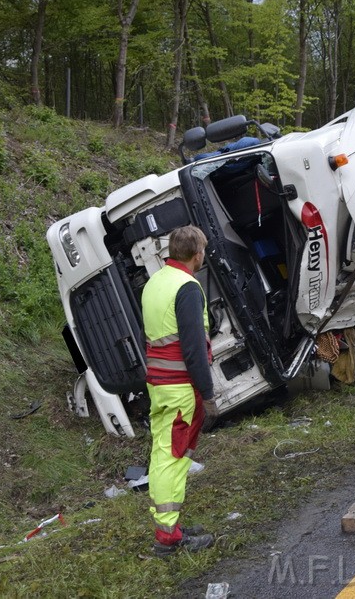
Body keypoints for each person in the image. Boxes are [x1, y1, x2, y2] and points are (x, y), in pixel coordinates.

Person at [142, 225, 219, 557]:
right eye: (203, 251)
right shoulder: (187, 287)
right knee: (171, 456)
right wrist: (209, 392)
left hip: (160, 383)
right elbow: (193, 350)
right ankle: (168, 535)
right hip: (179, 388)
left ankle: (169, 526)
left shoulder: (155, 282)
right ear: (197, 253)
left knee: (165, 452)